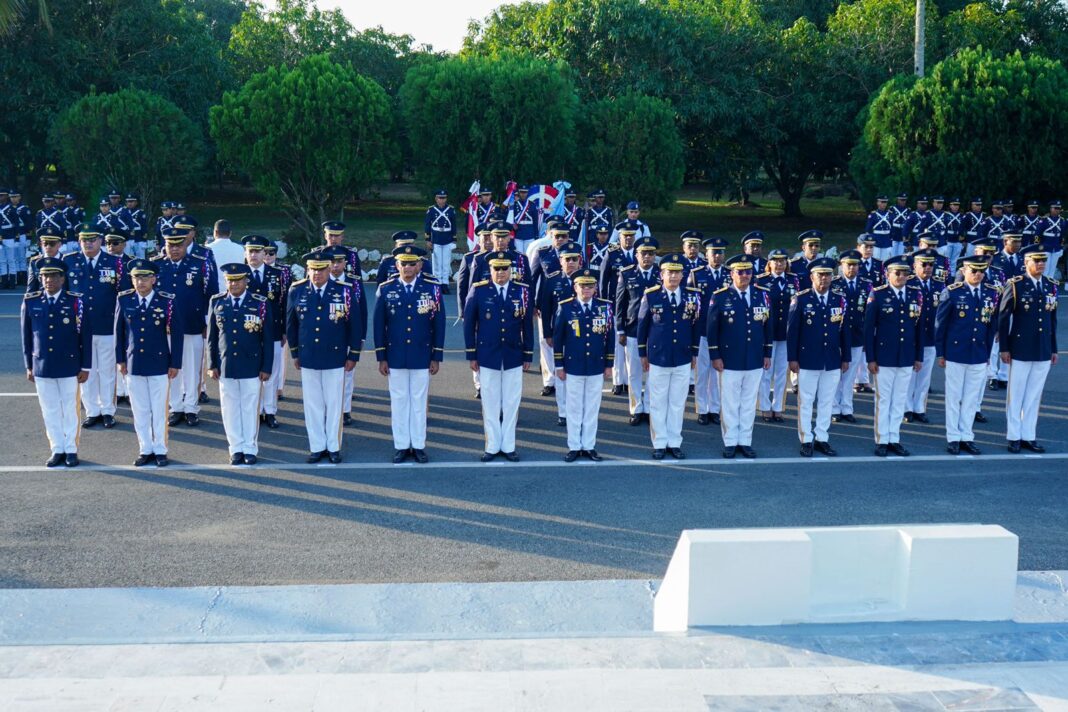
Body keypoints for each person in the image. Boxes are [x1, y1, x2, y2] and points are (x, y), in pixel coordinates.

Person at [287, 251, 362, 464]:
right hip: (308, 355)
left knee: (334, 403)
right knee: (313, 404)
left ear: (330, 269)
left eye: (321, 269)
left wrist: (353, 355)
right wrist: (295, 352)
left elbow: (354, 326)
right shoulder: (297, 290)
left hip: (335, 356)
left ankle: (333, 446)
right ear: (307, 270)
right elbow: (291, 325)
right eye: (313, 269)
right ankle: (317, 446)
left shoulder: (345, 292)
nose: (316, 273)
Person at [374, 246, 445, 464]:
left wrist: (436, 356)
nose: (407, 267)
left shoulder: (431, 289)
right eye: (403, 263)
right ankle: (402, 445)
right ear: (397, 265)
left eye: (412, 263)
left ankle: (419, 445)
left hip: (421, 354)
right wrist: (381, 357)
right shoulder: (386, 289)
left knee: (418, 401)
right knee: (399, 401)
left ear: (420, 266)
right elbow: (379, 325)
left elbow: (439, 324)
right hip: (395, 355)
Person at [464, 254, 534, 462]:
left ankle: (509, 445)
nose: (501, 273)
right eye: (497, 269)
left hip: (513, 353)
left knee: (512, 402)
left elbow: (527, 326)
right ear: (491, 270)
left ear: (510, 270)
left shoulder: (522, 291)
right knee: (490, 401)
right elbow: (469, 325)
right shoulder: (479, 290)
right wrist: (471, 354)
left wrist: (528, 353)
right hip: (488, 354)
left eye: (505, 269)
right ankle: (492, 445)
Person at [22, 257, 91, 467]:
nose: (48, 280)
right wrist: (29, 365)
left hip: (69, 364)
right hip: (42, 365)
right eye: (44, 276)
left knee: (70, 409)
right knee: (49, 410)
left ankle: (71, 449)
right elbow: (26, 337)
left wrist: (85, 365)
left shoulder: (75, 301)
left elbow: (85, 336)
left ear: (62, 278)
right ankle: (57, 448)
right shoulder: (31, 300)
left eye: (53, 276)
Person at [115, 259, 183, 466]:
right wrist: (120, 360)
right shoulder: (124, 300)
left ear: (154, 279)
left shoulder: (167, 301)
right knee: (140, 410)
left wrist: (175, 363)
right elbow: (119, 333)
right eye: (137, 278)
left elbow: (177, 334)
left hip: (159, 363)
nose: (141, 282)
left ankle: (160, 449)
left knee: (159, 410)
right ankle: (145, 449)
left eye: (145, 277)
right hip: (134, 363)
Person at [207, 263, 274, 465]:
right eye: (230, 280)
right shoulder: (217, 302)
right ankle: (235, 448)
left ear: (246, 281)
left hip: (252, 365)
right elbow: (212, 337)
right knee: (230, 409)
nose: (234, 284)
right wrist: (212, 364)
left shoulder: (260, 303)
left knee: (249, 407)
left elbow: (268, 339)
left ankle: (250, 448)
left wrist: (266, 367)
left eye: (238, 280)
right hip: (226, 365)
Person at [638, 254, 702, 460]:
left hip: (682, 356)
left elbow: (696, 326)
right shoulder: (651, 295)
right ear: (661, 275)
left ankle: (674, 442)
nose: (673, 277)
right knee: (657, 402)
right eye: (669, 273)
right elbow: (642, 326)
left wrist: (694, 352)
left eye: (677, 273)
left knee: (677, 402)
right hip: (658, 357)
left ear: (683, 275)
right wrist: (642, 353)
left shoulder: (692, 295)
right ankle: (659, 443)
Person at [64, 224, 128, 430]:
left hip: (107, 325)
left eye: (93, 239)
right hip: (80, 328)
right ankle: (92, 410)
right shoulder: (69, 261)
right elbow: (66, 296)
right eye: (85, 240)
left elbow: (124, 295)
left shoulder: (115, 263)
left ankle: (108, 410)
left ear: (101, 240)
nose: (89, 243)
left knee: (108, 371)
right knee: (86, 372)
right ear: (79, 241)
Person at [708, 254, 771, 458]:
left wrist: (767, 353)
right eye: (740, 272)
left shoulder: (762, 295)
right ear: (732, 274)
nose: (745, 276)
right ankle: (730, 441)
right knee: (729, 402)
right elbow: (712, 329)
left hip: (754, 357)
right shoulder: (720, 296)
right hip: (729, 358)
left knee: (749, 402)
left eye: (748, 272)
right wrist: (715, 355)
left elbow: (767, 326)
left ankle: (745, 441)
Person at [935, 254, 999, 455]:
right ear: (964, 270)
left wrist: (987, 352)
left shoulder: (991, 293)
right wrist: (941, 353)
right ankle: (953, 437)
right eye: (974, 270)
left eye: (982, 271)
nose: (978, 274)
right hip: (956, 352)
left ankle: (967, 436)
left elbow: (991, 326)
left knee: (971, 399)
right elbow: (941, 325)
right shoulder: (952, 292)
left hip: (978, 353)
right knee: (954, 397)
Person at [787, 257, 850, 457]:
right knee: (806, 401)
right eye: (820, 275)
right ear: (812, 277)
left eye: (827, 275)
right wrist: (792, 358)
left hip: (831, 359)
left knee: (827, 401)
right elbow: (792, 331)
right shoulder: (801, 298)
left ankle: (822, 437)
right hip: (807, 358)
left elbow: (844, 331)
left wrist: (845, 357)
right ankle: (806, 438)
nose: (824, 278)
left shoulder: (839, 299)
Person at [999, 244, 1059, 453]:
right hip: (1021, 347)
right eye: (1037, 260)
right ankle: (1014, 436)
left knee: (1034, 395)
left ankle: (1029, 435)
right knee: (1016, 394)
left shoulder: (1051, 285)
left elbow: (1052, 320)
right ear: (1026, 262)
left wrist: (1053, 348)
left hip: (1042, 348)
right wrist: (1004, 348)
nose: (1041, 264)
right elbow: (1003, 318)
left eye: (1043, 260)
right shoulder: (1016, 285)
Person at [864, 255, 923, 457]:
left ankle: (894, 438)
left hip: (906, 355)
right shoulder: (877, 295)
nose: (900, 276)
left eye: (904, 273)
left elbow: (919, 328)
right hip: (884, 356)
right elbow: (869, 328)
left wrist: (918, 356)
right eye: (896, 272)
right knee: (883, 399)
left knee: (899, 400)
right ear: (887, 274)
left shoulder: (916, 294)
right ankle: (881, 439)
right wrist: (870, 358)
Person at [152, 229, 212, 426]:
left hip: (192, 324)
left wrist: (207, 322)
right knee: (171, 369)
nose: (175, 249)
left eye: (179, 245)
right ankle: (176, 406)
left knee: (192, 369)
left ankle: (191, 407)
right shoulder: (156, 265)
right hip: (164, 328)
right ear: (165, 246)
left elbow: (211, 296)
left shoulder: (200, 264)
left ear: (185, 245)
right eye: (171, 245)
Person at [553, 269, 614, 462]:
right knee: (574, 408)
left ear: (595, 288)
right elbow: (558, 338)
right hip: (574, 365)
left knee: (591, 408)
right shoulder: (566, 307)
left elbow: (610, 338)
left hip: (596, 364)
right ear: (575, 287)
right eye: (582, 286)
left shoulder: (604, 308)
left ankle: (589, 445)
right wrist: (559, 365)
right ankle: (573, 446)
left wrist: (609, 363)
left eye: (590, 286)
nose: (586, 289)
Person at [538, 241, 585, 426]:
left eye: (574, 259)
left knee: (580, 374)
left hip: (581, 335)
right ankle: (563, 412)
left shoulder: (587, 279)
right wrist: (548, 334)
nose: (571, 262)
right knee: (561, 374)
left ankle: (578, 410)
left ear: (580, 261)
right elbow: (545, 308)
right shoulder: (552, 279)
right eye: (568, 259)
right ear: (561, 260)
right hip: (559, 334)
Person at [243, 234, 287, 429]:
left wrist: (285, 330)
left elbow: (284, 303)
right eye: (250, 251)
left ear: (265, 253)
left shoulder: (277, 274)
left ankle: (269, 410)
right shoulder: (239, 275)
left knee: (272, 372)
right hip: (248, 331)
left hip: (273, 330)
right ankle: (254, 411)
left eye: (258, 251)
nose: (254, 255)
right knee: (251, 374)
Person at [616, 236, 660, 425]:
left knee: (653, 373)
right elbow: (620, 303)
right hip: (633, 328)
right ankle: (636, 408)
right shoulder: (627, 274)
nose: (647, 257)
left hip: (656, 331)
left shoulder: (661, 274)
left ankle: (649, 407)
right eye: (644, 253)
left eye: (651, 254)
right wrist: (620, 330)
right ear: (636, 255)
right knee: (634, 372)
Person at [689, 237, 730, 425]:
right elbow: (691, 305)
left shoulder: (730, 274)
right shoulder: (697, 274)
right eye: (714, 252)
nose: (717, 256)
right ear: (706, 254)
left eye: (720, 252)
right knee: (702, 373)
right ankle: (702, 409)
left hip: (724, 331)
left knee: (718, 373)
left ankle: (715, 408)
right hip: (703, 330)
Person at [755, 248, 798, 424]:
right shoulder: (761, 280)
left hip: (785, 332)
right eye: (776, 261)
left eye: (782, 261)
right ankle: (765, 407)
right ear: (769, 263)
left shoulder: (793, 280)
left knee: (781, 373)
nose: (779, 264)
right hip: (768, 332)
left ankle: (778, 407)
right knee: (766, 372)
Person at [531, 220, 573, 397]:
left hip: (570, 304)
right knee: (545, 341)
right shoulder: (542, 253)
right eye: (557, 236)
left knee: (569, 341)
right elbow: (532, 278)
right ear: (551, 236)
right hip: (547, 304)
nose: (561, 239)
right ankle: (549, 381)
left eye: (564, 236)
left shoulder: (575, 253)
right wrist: (533, 303)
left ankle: (567, 376)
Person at [831, 250, 872, 423]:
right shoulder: (834, 284)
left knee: (851, 374)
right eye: (848, 264)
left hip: (856, 334)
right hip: (837, 334)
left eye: (855, 264)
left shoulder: (866, 284)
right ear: (841, 265)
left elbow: (869, 313)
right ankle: (833, 408)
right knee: (835, 374)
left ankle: (846, 408)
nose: (852, 268)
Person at [903, 248, 943, 424]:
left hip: (930, 337)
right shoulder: (908, 283)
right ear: (914, 266)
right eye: (924, 264)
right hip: (911, 337)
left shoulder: (939, 285)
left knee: (925, 376)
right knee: (909, 375)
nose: (928, 268)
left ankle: (919, 407)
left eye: (930, 265)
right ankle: (907, 408)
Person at [598, 222, 638, 395]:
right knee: (617, 345)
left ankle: (629, 381)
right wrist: (602, 302)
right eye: (625, 235)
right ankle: (617, 380)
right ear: (619, 237)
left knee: (631, 346)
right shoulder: (612, 253)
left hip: (634, 307)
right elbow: (602, 279)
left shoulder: (639, 254)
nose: (628, 238)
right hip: (616, 305)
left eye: (631, 235)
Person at [103, 231, 133, 404]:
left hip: (127, 313)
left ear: (124, 244)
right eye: (108, 243)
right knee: (112, 356)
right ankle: (119, 391)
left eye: (115, 243)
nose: (111, 247)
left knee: (125, 350)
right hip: (108, 314)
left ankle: (128, 390)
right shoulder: (104, 263)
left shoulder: (131, 263)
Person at [425, 189, 457, 290]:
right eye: (440, 198)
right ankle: (437, 283)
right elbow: (427, 225)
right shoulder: (431, 210)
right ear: (436, 198)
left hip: (447, 238)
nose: (442, 200)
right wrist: (428, 239)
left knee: (446, 262)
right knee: (437, 262)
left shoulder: (451, 210)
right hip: (436, 238)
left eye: (444, 198)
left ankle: (445, 283)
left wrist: (454, 239)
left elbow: (454, 225)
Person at [205, 219, 246, 290]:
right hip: (235, 290)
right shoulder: (240, 249)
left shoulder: (207, 249)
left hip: (214, 291)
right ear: (230, 233)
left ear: (215, 232)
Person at [27, 228, 64, 293]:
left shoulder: (66, 260)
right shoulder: (35, 261)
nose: (48, 247)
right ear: (41, 244)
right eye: (45, 244)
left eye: (52, 244)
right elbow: (31, 287)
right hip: (42, 300)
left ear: (59, 245)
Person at [1036, 199, 1063, 279]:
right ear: (1051, 209)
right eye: (1055, 208)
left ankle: (1050, 286)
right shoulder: (1044, 220)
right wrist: (1038, 245)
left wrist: (1061, 246)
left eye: (1059, 208)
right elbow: (1037, 234)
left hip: (1056, 247)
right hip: (1045, 246)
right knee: (1045, 269)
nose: (1057, 210)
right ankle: (1043, 286)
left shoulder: (1062, 221)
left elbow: (1062, 235)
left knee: (1052, 269)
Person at [505, 185, 536, 255]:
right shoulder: (514, 205)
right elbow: (509, 217)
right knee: (519, 255)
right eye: (521, 192)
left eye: (525, 192)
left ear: (527, 193)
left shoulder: (532, 205)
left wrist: (536, 235)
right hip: (518, 234)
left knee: (529, 255)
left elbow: (535, 221)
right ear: (519, 193)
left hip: (529, 234)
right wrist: (512, 224)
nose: (523, 194)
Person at [119, 193, 147, 259]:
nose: (129, 203)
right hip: (127, 238)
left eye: (131, 201)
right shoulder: (123, 212)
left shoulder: (140, 212)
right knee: (128, 257)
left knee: (140, 258)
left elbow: (144, 226)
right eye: (128, 201)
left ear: (136, 202)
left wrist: (144, 240)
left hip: (138, 238)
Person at [865, 195, 893, 261]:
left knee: (885, 260)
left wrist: (891, 238)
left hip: (886, 240)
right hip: (876, 239)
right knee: (875, 259)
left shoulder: (890, 214)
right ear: (878, 203)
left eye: (885, 202)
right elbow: (868, 229)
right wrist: (870, 240)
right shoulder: (873, 215)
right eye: (882, 202)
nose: (884, 204)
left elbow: (892, 229)